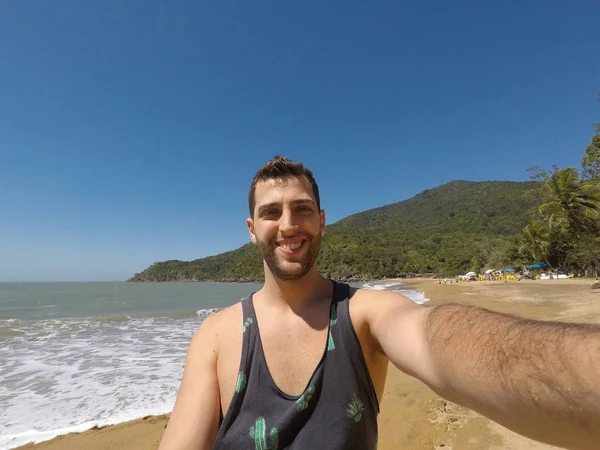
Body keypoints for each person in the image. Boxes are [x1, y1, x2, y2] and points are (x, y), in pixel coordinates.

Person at [159, 156, 600, 450]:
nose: (289, 224)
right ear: (252, 229)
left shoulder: (364, 314)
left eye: (303, 209)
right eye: (272, 212)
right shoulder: (215, 336)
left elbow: (440, 342)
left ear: (323, 222)